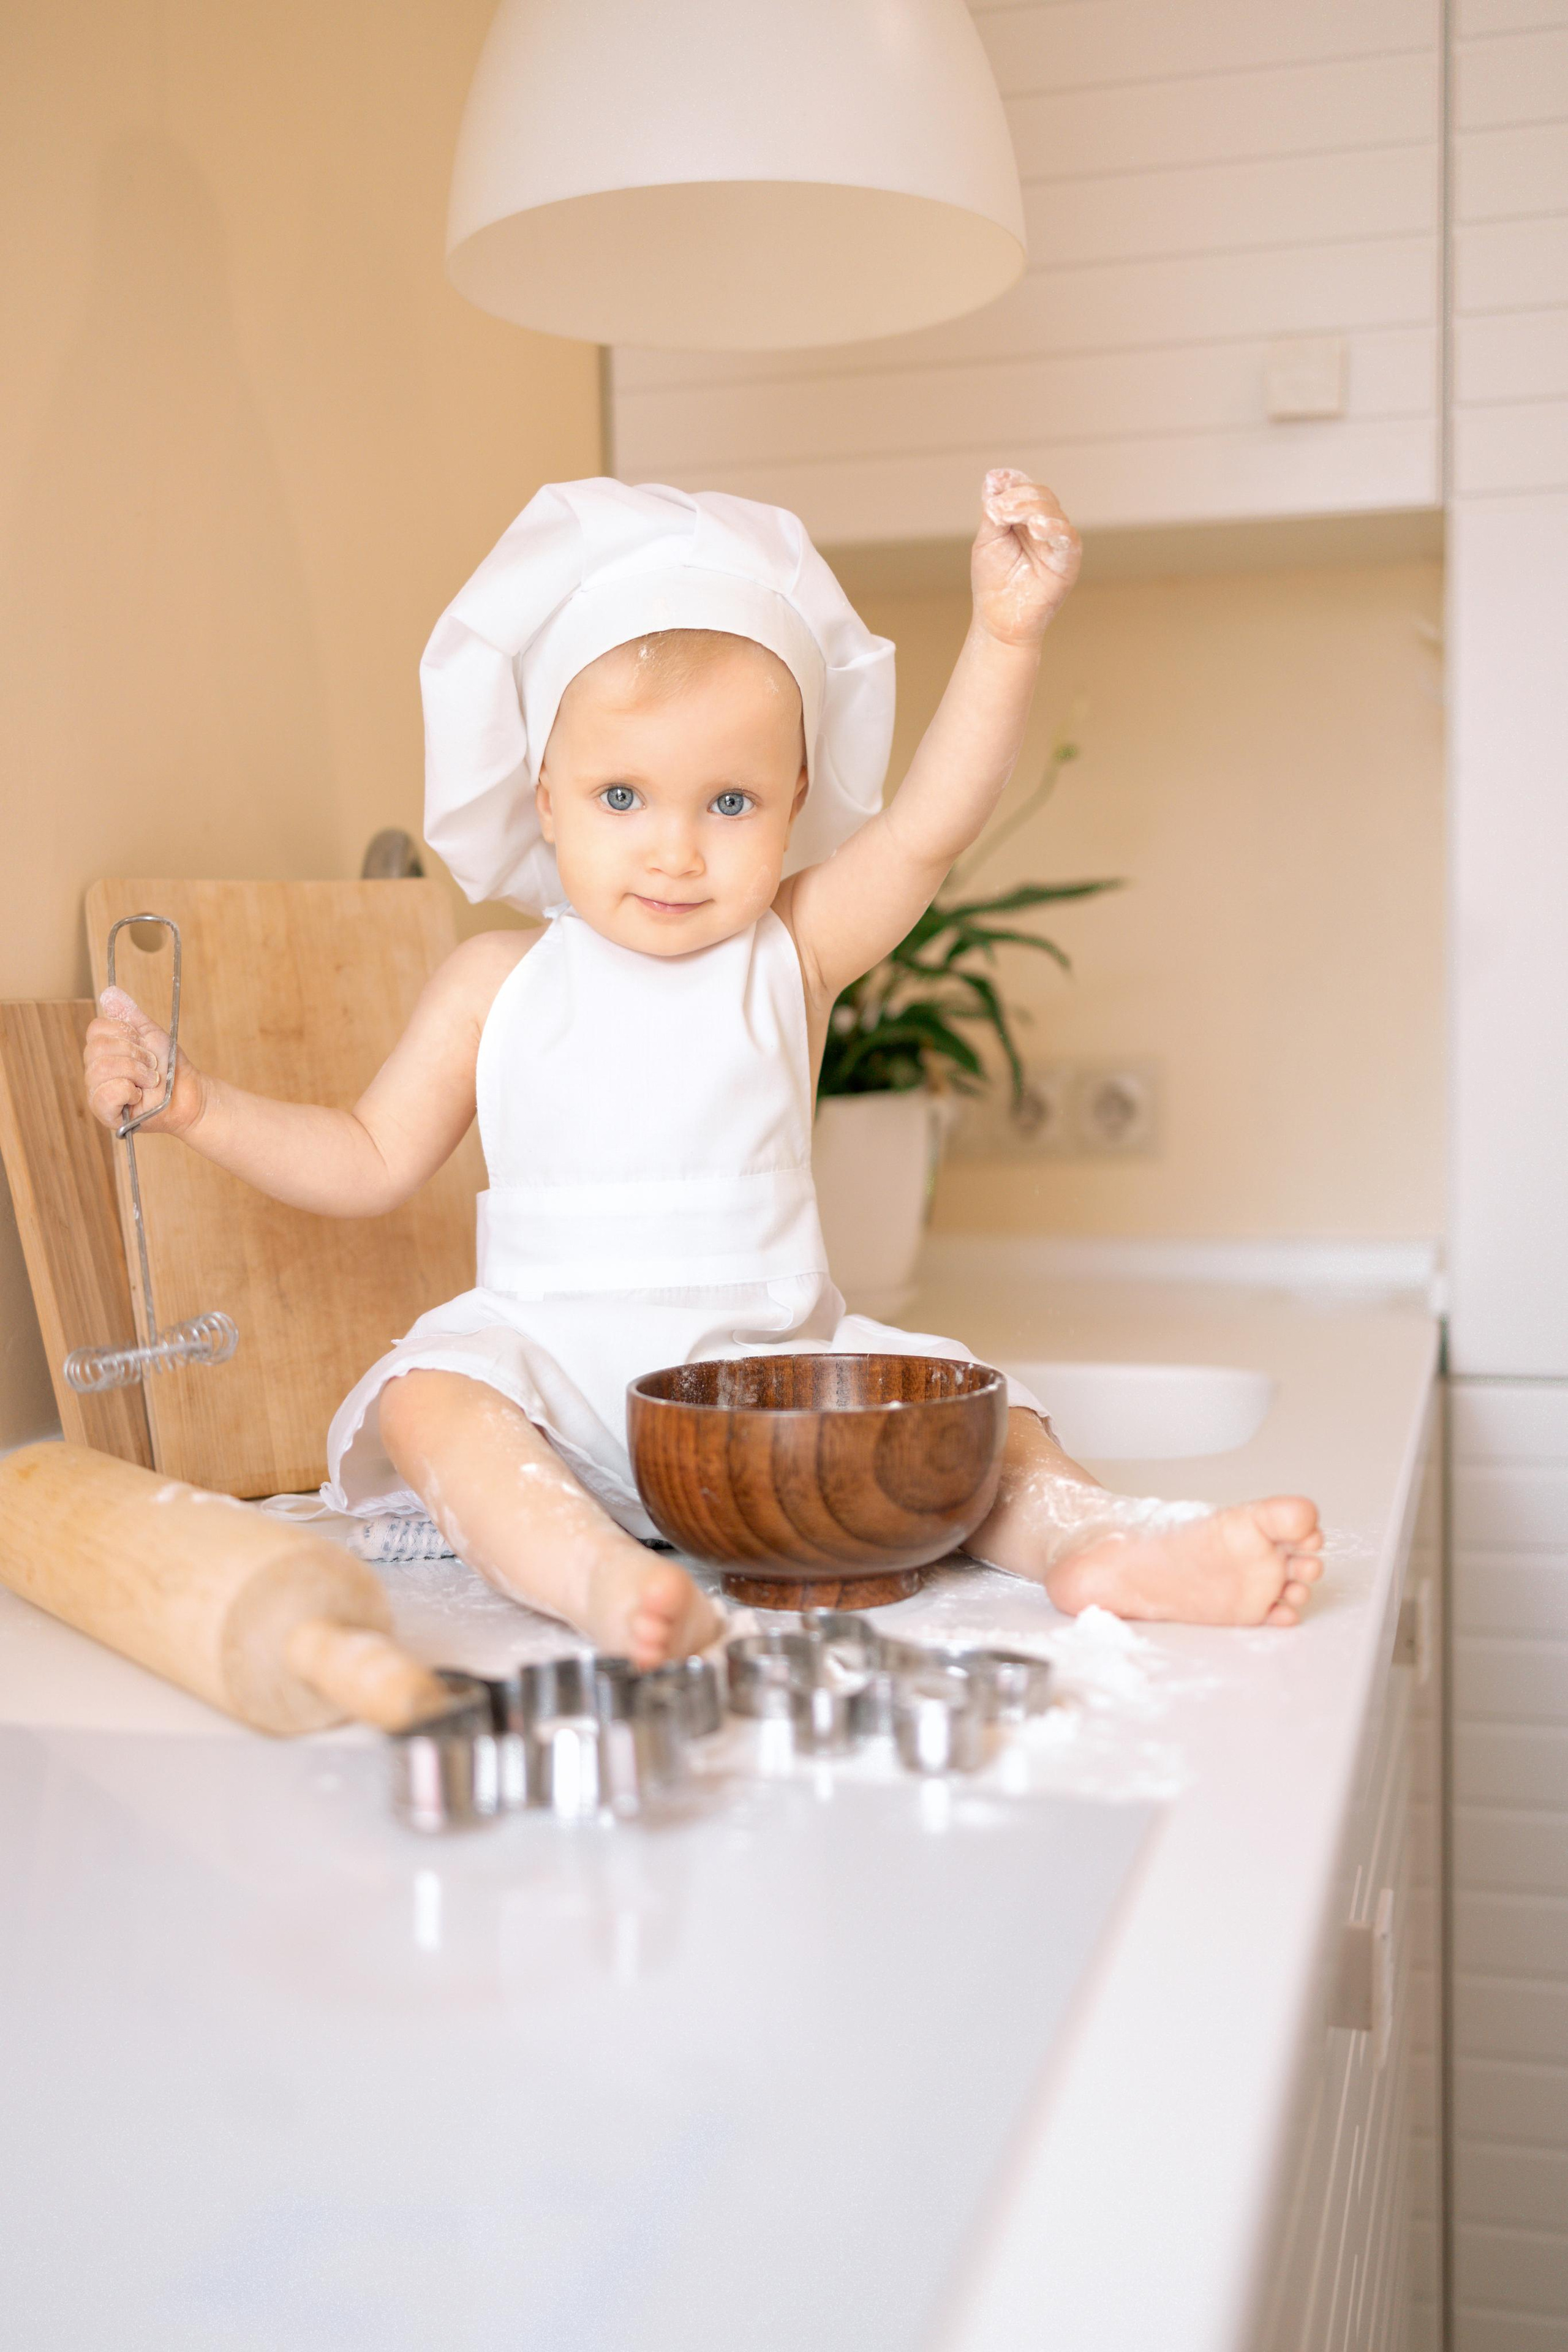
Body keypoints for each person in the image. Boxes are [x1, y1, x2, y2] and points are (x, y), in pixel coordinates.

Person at [84, 472, 1323, 1668]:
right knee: (426, 1398)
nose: (674, 850)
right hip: (555, 1403)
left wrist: (1004, 637)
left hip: (775, 1403)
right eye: (623, 794)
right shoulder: (495, 987)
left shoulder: (790, 952)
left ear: (794, 801)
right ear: (545, 802)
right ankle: (593, 1576)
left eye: (728, 801)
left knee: (984, 1413)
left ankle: (1097, 1543)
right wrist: (195, 1103)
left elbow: (931, 825)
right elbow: (364, 1158)